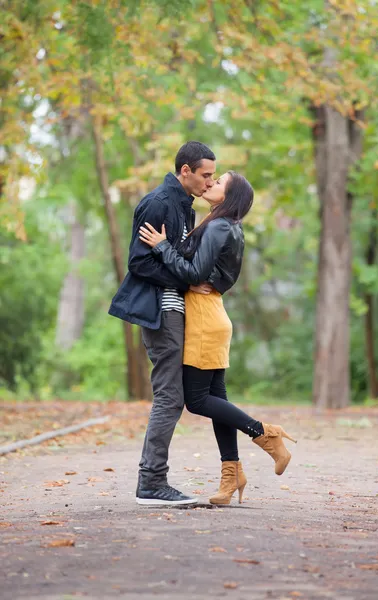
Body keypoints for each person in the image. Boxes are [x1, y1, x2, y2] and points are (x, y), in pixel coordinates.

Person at [139, 170, 297, 505]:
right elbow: (203, 271)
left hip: (202, 316)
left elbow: (195, 273)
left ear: (232, 196)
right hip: (212, 313)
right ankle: (232, 474)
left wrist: (163, 246)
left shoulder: (220, 225)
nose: (210, 184)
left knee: (197, 400)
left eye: (219, 182)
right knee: (216, 399)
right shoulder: (225, 225)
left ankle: (264, 434)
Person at [109, 141, 217, 506]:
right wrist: (186, 281)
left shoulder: (184, 207)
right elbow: (139, 262)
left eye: (213, 176)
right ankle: (152, 482)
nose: (209, 181)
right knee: (170, 396)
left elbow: (175, 256)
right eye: (205, 175)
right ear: (185, 171)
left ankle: (153, 480)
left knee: (180, 395)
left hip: (176, 311)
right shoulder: (159, 203)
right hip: (160, 311)